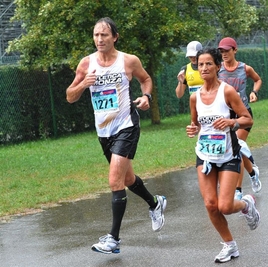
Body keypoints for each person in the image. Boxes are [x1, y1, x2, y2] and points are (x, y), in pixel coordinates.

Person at [66, 17, 166, 254]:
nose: (99, 39)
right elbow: (70, 96)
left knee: (114, 181)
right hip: (104, 131)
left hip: (126, 125)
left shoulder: (128, 61)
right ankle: (155, 203)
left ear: (115, 37)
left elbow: (146, 79)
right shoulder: (86, 64)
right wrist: (83, 84)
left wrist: (146, 97)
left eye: (104, 35)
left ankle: (114, 239)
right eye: (96, 35)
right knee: (128, 179)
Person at [186, 48, 260, 263]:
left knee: (225, 207)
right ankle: (229, 245)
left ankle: (246, 204)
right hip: (205, 156)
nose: (204, 68)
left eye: (209, 64)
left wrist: (231, 122)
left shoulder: (227, 92)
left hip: (228, 155)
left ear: (218, 66)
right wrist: (193, 129)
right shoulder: (194, 97)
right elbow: (197, 124)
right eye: (200, 64)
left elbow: (248, 119)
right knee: (210, 204)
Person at [217, 37, 262, 200]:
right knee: (237, 150)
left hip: (243, 114)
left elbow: (257, 80)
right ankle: (252, 172)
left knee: (236, 148)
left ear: (235, 50)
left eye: (227, 51)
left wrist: (254, 92)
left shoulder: (245, 68)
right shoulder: (218, 69)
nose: (224, 54)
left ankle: (237, 190)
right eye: (221, 51)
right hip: (225, 115)